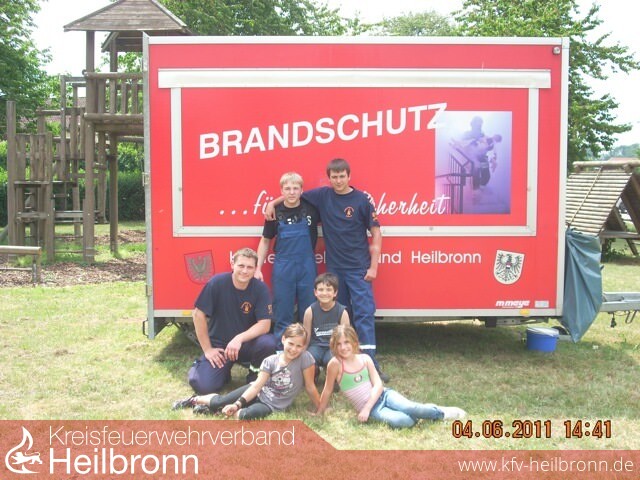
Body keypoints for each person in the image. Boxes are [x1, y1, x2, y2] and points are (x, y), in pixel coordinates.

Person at [266, 158, 387, 380]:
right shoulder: (323, 195)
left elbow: (376, 232)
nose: (338, 181)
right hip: (335, 269)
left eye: (342, 176)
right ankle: (346, 362)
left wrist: (373, 266)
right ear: (329, 178)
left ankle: (371, 364)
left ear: (349, 176)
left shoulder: (361, 200)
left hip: (359, 268)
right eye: (334, 177)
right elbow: (294, 195)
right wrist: (272, 203)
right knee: (343, 316)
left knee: (364, 314)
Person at [316, 325, 466, 428]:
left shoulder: (365, 359)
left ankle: (440, 412)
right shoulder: (335, 364)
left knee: (410, 407)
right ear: (334, 346)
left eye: (346, 342)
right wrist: (319, 412)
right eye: (339, 344)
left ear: (354, 342)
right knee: (405, 421)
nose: (343, 347)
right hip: (374, 410)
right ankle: (422, 411)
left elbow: (378, 385)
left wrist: (366, 409)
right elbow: (327, 390)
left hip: (384, 396)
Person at [173, 324, 320, 419]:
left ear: (304, 347)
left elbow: (310, 386)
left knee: (246, 416)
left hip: (270, 405)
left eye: (299, 346)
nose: (294, 349)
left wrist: (320, 408)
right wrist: (237, 403)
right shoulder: (270, 361)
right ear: (283, 340)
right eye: (291, 343)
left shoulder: (305, 359)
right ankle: (194, 400)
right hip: (256, 392)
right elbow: (256, 386)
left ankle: (215, 411)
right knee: (221, 401)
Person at [187, 247, 277, 395]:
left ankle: (254, 378)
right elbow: (198, 314)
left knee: (268, 343)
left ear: (255, 269)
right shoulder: (217, 283)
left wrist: (238, 339)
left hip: (247, 345)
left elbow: (264, 325)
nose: (245, 271)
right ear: (232, 265)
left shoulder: (260, 289)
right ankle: (219, 372)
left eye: (250, 267)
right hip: (221, 347)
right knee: (202, 386)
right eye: (241, 266)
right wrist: (208, 350)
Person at [255, 172, 320, 350]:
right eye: (287, 188)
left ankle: (308, 349)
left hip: (306, 265)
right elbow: (265, 241)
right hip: (283, 266)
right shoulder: (274, 213)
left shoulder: (312, 209)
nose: (291, 192)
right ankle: (281, 350)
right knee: (282, 310)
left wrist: (272, 202)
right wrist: (258, 268)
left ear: (301, 190)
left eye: (295, 188)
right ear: (281, 190)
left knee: (308, 309)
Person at [302, 272, 350, 374]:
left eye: (328, 290)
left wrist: (345, 354)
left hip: (334, 347)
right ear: (315, 292)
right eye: (320, 290)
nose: (324, 293)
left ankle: (333, 374)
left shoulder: (342, 312)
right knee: (307, 359)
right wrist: (302, 355)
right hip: (316, 347)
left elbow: (346, 338)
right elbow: (306, 337)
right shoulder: (309, 311)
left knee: (334, 360)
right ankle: (314, 374)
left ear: (335, 293)